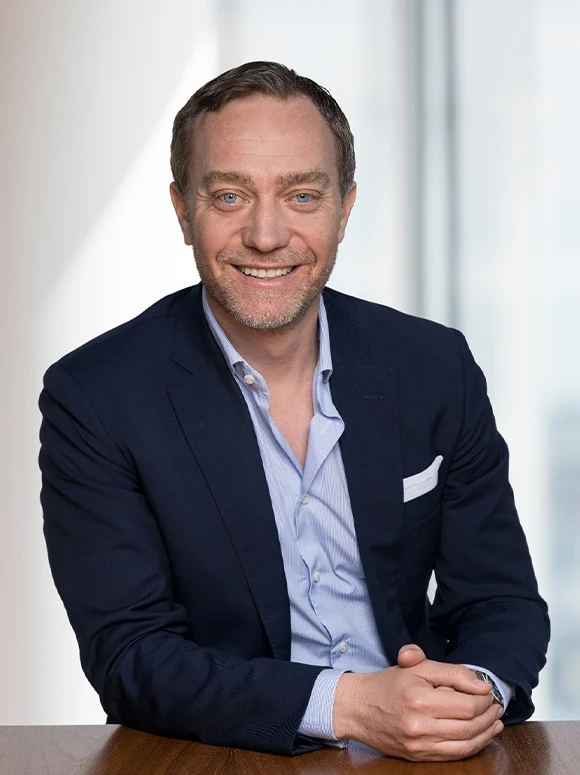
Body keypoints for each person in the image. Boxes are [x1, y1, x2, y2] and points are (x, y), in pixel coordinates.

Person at [39, 61, 549, 762]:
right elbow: (131, 654)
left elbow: (502, 601)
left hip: (428, 756)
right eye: (229, 196)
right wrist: (348, 703)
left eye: (303, 195)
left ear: (344, 207)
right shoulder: (96, 396)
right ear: (183, 210)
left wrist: (473, 695)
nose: (268, 234)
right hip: (228, 756)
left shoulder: (435, 365)